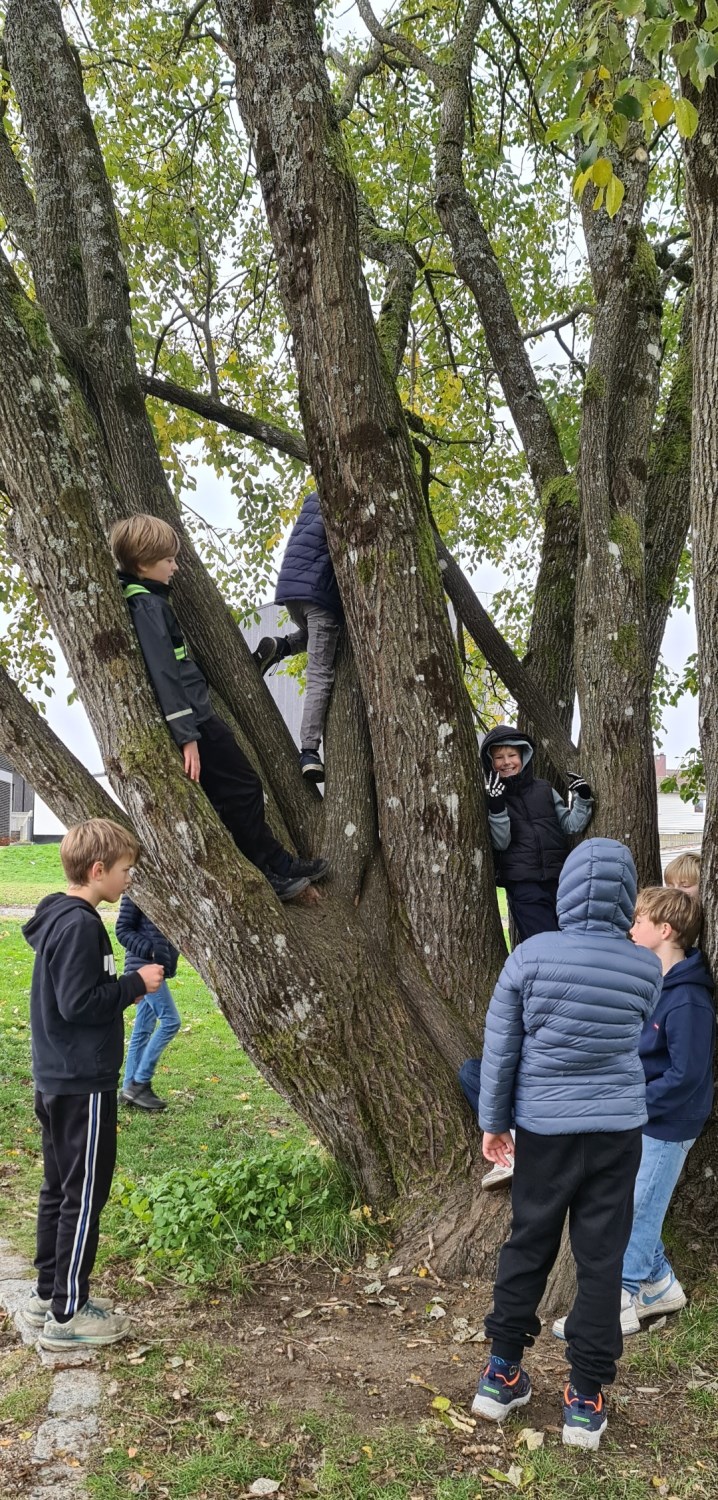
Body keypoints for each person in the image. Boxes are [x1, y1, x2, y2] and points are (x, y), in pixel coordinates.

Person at [471, 838, 663, 1451]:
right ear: (626, 897)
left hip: (545, 1131)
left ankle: (501, 1375)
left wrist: (493, 1121)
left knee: (529, 1241)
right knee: (602, 1259)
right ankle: (585, 1398)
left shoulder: (530, 955)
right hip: (617, 1132)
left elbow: (501, 1049)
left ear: (566, 891)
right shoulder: (644, 966)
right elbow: (637, 1026)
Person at [110, 514, 330, 902]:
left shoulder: (152, 600)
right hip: (195, 722)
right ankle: (267, 871)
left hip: (200, 715)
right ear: (143, 563)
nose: (175, 567)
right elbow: (165, 673)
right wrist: (187, 737)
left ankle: (278, 862)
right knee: (242, 789)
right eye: (168, 560)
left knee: (245, 787)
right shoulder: (146, 606)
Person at [22, 818, 164, 1350]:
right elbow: (78, 1003)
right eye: (126, 870)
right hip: (82, 1081)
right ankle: (68, 1314)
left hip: (57, 1076)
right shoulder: (81, 925)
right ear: (98, 870)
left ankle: (48, 1294)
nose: (130, 879)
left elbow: (74, 994)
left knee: (59, 1189)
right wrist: (133, 983)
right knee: (83, 1197)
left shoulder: (58, 916)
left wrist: (121, 988)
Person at [553, 885, 712, 1342]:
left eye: (639, 921)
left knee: (637, 1210)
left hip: (668, 1123)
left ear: (666, 931)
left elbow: (685, 1074)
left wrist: (634, 1104)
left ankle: (616, 1303)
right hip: (640, 1114)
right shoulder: (652, 982)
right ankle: (660, 1285)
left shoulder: (688, 999)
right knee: (633, 1201)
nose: (631, 928)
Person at [253, 490, 343, 784]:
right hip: (319, 596)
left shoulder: (314, 500)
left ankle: (281, 646)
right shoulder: (347, 497)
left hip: (293, 594)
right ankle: (309, 751)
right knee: (319, 673)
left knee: (314, 635)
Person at [480, 725, 594, 942]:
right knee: (545, 945)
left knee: (575, 941)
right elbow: (501, 842)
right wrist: (496, 806)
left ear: (523, 756)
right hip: (524, 885)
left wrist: (583, 797)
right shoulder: (490, 799)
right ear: (490, 763)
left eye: (512, 755)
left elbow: (571, 825)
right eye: (499, 757)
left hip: (560, 880)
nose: (506, 762)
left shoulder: (544, 789)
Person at [117, 895, 181, 1112]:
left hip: (156, 968)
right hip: (144, 968)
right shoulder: (136, 889)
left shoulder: (169, 889)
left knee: (143, 1028)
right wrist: (152, 951)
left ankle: (128, 1089)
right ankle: (140, 1083)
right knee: (171, 1021)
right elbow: (122, 930)